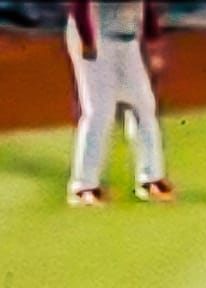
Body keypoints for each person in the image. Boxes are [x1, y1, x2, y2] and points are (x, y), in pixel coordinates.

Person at [65, 0, 176, 206]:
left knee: (143, 106)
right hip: (92, 31)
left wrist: (153, 39)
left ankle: (152, 179)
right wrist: (87, 40)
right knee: (99, 110)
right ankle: (84, 186)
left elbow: (147, 5)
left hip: (127, 37)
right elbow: (79, 4)